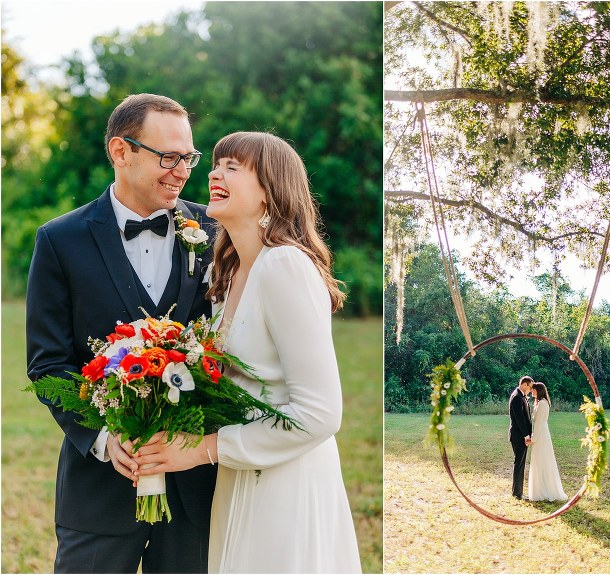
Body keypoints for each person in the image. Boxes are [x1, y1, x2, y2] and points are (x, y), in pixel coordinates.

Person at [132, 131, 362, 573]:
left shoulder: (285, 266)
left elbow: (320, 414)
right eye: (216, 164)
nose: (214, 173)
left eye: (232, 167)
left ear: (270, 190)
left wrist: (204, 449)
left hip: (284, 479)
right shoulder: (230, 270)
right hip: (238, 475)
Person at [26, 93, 217, 573]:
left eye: (188, 158)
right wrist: (104, 437)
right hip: (97, 497)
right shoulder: (60, 240)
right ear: (120, 151)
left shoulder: (214, 229)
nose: (181, 170)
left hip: (196, 497)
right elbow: (48, 364)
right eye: (168, 157)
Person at [528, 382, 568, 501]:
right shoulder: (540, 403)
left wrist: (533, 439)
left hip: (541, 435)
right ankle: (541, 489)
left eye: (533, 390)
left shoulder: (542, 404)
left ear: (538, 390)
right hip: (541, 433)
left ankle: (545, 491)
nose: (532, 391)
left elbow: (539, 422)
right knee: (540, 461)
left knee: (542, 461)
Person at [508, 375, 534, 499]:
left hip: (520, 436)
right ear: (525, 385)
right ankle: (517, 493)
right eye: (530, 387)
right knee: (519, 463)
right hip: (518, 436)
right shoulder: (517, 397)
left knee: (521, 463)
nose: (531, 390)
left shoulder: (520, 396)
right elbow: (520, 419)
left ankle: (517, 492)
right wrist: (526, 435)